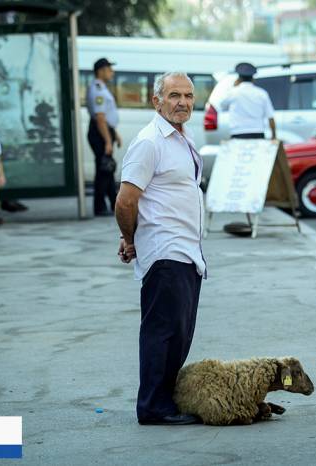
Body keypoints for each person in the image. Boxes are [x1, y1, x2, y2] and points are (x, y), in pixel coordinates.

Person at [115, 72, 206, 426]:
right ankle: (153, 406)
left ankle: (163, 400)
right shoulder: (149, 142)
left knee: (180, 331)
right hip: (165, 251)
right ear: (156, 101)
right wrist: (131, 238)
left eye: (188, 96)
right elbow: (125, 200)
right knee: (163, 331)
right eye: (173, 95)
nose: (182, 102)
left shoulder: (183, 136)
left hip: (186, 250)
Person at [87, 58, 122, 216]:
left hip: (105, 131)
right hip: (100, 132)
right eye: (109, 69)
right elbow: (100, 118)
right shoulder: (98, 89)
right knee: (103, 171)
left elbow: (106, 118)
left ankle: (114, 204)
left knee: (107, 169)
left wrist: (115, 134)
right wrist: (108, 140)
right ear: (100, 70)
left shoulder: (102, 88)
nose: (111, 72)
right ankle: (99, 207)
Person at [220, 62, 276, 140]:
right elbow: (270, 117)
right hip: (258, 133)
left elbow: (222, 106)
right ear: (253, 79)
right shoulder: (262, 93)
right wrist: (274, 136)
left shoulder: (233, 92)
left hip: (238, 133)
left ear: (239, 79)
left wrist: (233, 87)